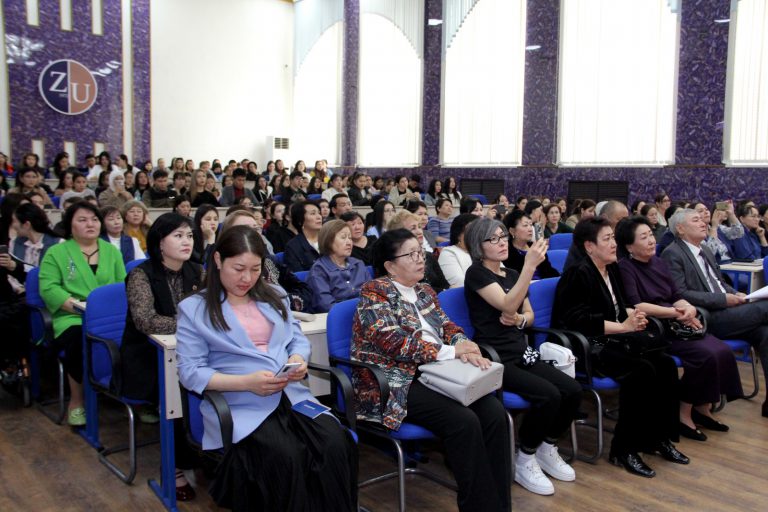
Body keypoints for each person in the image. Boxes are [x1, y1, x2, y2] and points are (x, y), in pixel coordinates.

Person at [175, 226, 357, 510]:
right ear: (218, 260)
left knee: (335, 442)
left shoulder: (275, 294)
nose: (247, 278)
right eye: (238, 269)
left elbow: (297, 338)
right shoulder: (194, 309)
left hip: (291, 395)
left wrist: (298, 358)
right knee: (286, 457)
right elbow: (190, 372)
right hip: (239, 402)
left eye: (255, 269)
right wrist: (246, 383)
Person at [352, 228, 510, 511]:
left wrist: (464, 345)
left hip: (437, 372)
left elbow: (447, 326)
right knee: (464, 421)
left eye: (419, 252)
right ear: (390, 266)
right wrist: (450, 351)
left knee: (494, 414)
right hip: (394, 382)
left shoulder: (425, 291)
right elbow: (393, 343)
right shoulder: (374, 292)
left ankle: (499, 505)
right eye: (410, 254)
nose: (419, 258)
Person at [553, 217, 688, 478]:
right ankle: (624, 449)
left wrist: (634, 317)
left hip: (615, 338)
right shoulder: (578, 273)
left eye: (613, 238)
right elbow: (577, 321)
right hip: (590, 345)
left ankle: (658, 438)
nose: (614, 244)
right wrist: (623, 327)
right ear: (589, 246)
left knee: (666, 365)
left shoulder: (611, 268)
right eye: (607, 239)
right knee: (641, 372)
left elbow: (620, 307)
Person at [463, 218, 580, 495]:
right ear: (478, 245)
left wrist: (519, 320)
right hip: (496, 357)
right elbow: (507, 304)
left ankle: (546, 447)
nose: (502, 242)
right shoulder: (476, 273)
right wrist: (529, 267)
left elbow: (528, 315)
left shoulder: (513, 274)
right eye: (493, 239)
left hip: (521, 350)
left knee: (573, 390)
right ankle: (525, 458)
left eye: (503, 236)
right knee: (549, 395)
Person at [615, 217, 742, 439]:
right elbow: (637, 305)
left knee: (722, 350)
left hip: (678, 320)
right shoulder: (625, 268)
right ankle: (684, 413)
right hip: (656, 326)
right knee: (704, 356)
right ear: (629, 246)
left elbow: (676, 295)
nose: (651, 241)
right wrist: (677, 313)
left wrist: (688, 309)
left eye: (650, 235)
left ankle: (702, 408)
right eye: (643, 237)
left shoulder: (658, 263)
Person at [119, 213, 201, 500]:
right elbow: (146, 321)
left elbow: (211, 311)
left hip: (188, 351)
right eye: (178, 236)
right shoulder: (141, 275)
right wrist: (192, 324)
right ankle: (176, 466)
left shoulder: (198, 271)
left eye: (189, 235)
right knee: (178, 389)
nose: (187, 241)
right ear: (159, 242)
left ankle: (208, 453)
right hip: (147, 356)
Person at [661, 209, 768, 418]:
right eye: (696, 220)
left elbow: (719, 282)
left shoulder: (705, 250)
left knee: (766, 333)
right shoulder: (672, 253)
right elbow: (680, 293)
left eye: (703, 219)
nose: (703, 222)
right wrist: (723, 299)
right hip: (708, 317)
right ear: (680, 229)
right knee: (766, 308)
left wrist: (735, 293)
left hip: (728, 311)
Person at [39, 202, 126, 426]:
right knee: (79, 342)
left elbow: (122, 285)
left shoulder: (111, 251)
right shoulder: (57, 252)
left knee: (137, 340)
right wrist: (76, 306)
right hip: (72, 317)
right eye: (82, 220)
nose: (90, 224)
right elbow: (49, 288)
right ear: (70, 225)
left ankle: (136, 397)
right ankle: (77, 402)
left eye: (94, 219)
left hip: (108, 317)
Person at [306, 220, 369, 313]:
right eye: (343, 237)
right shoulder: (319, 270)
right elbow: (327, 306)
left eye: (350, 238)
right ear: (328, 241)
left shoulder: (358, 264)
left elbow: (373, 295)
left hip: (365, 316)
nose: (349, 242)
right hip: (336, 318)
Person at [387, 211, 449, 293]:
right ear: (399, 234)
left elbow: (445, 286)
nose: (420, 231)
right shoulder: (397, 261)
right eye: (413, 228)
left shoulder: (429, 256)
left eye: (419, 227)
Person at [504, 210, 559, 278]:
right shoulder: (506, 251)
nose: (530, 229)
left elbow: (549, 270)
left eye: (531, 225)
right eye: (525, 225)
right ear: (512, 231)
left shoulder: (535, 246)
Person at [437, 213, 477, 288]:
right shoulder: (449, 254)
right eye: (471, 231)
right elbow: (460, 284)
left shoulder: (484, 251)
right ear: (458, 235)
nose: (477, 234)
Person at [284, 200, 322, 272]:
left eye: (319, 213)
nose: (319, 217)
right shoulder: (293, 246)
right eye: (313, 213)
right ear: (300, 220)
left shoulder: (329, 240)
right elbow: (297, 275)